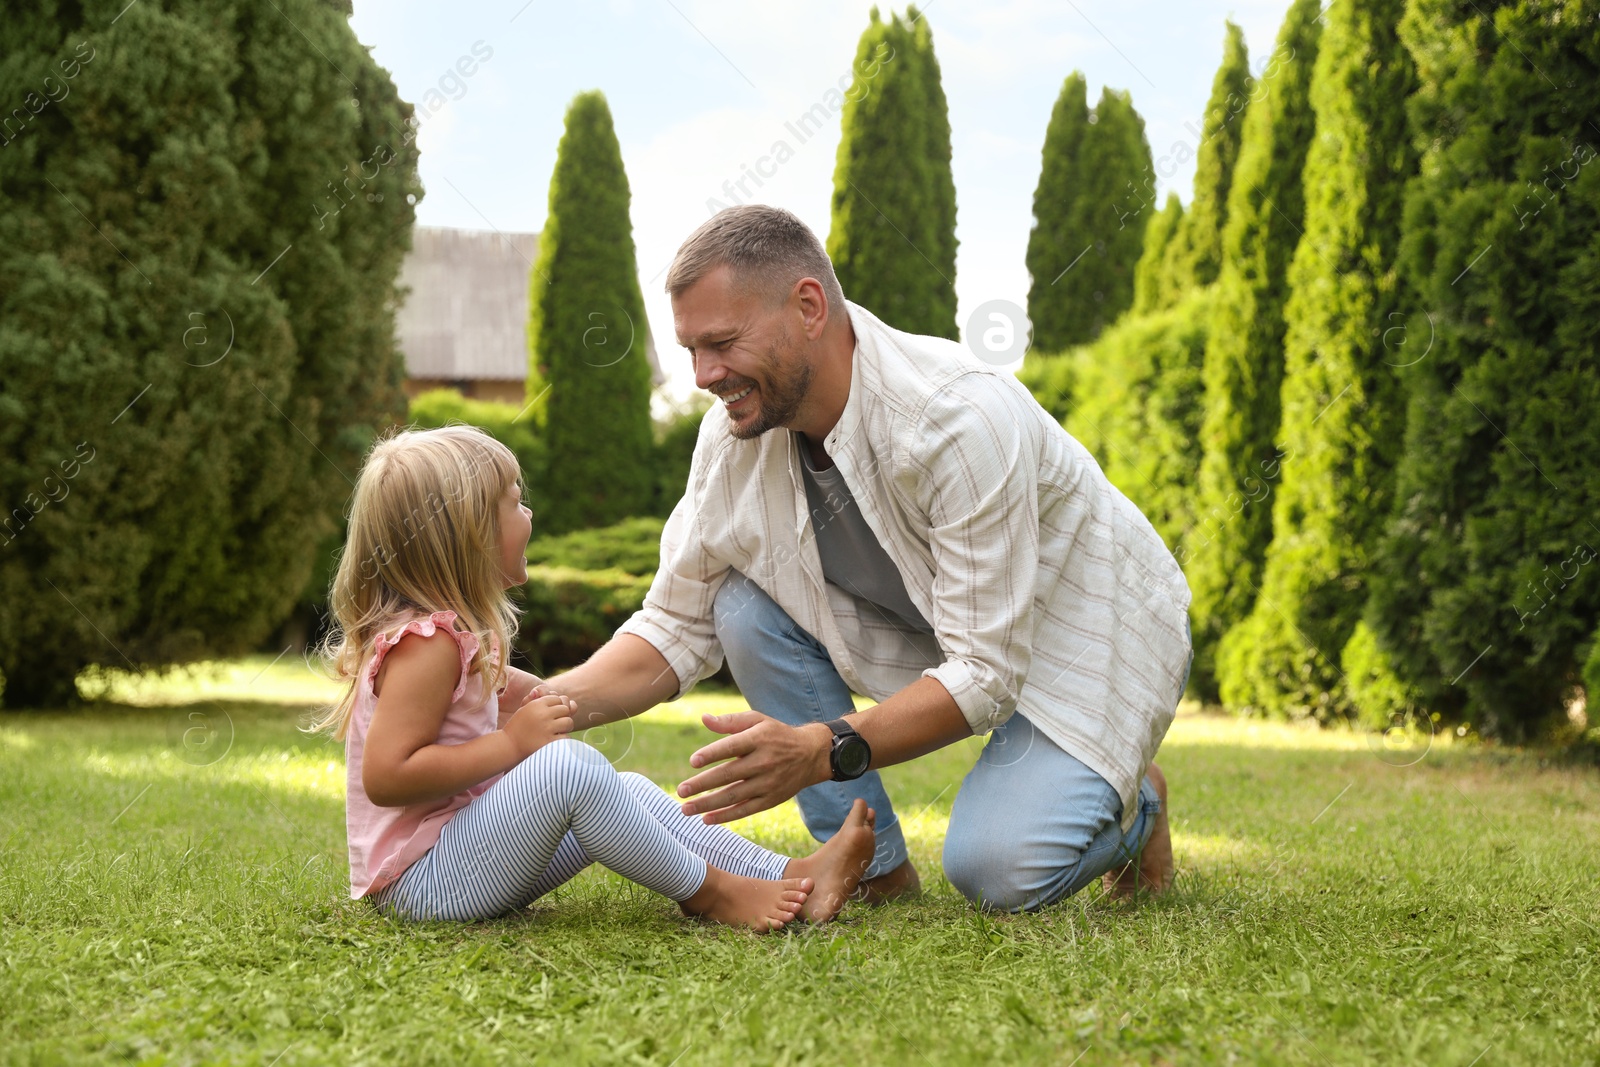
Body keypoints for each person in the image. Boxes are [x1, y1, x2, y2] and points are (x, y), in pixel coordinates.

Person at [544, 205, 1193, 912]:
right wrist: (543, 706)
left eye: (722, 342)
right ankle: (877, 866)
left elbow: (986, 672)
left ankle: (1139, 805)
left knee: (1000, 874)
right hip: (956, 637)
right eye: (690, 349)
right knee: (737, 602)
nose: (703, 374)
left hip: (1087, 645)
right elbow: (676, 622)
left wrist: (819, 748)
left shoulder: (956, 419)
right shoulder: (732, 439)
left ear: (810, 307)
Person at [310, 425, 875, 929]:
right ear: (468, 536)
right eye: (514, 503)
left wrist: (531, 701)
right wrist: (512, 744)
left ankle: (793, 875)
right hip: (418, 884)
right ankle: (714, 893)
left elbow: (500, 699)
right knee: (568, 769)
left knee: (622, 789)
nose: (528, 514)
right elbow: (387, 775)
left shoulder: (450, 641)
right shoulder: (426, 646)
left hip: (459, 860)